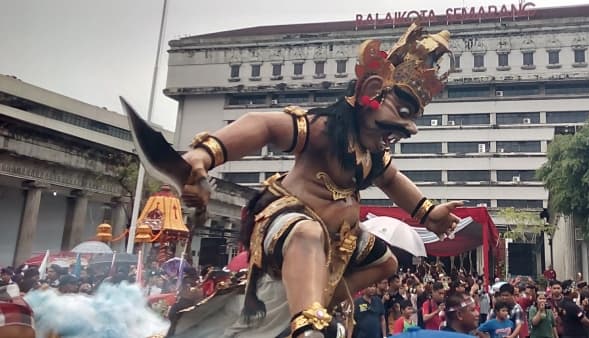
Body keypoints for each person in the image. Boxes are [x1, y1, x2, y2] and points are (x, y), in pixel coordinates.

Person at [171, 24, 461, 338]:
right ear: (371, 92)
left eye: (409, 121)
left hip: (341, 239)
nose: (404, 130)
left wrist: (429, 214)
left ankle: (314, 306)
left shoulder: (374, 153)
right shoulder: (324, 130)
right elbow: (264, 125)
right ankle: (307, 325)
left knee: (386, 262)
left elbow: (393, 181)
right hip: (287, 224)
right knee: (307, 232)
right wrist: (204, 155)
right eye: (401, 113)